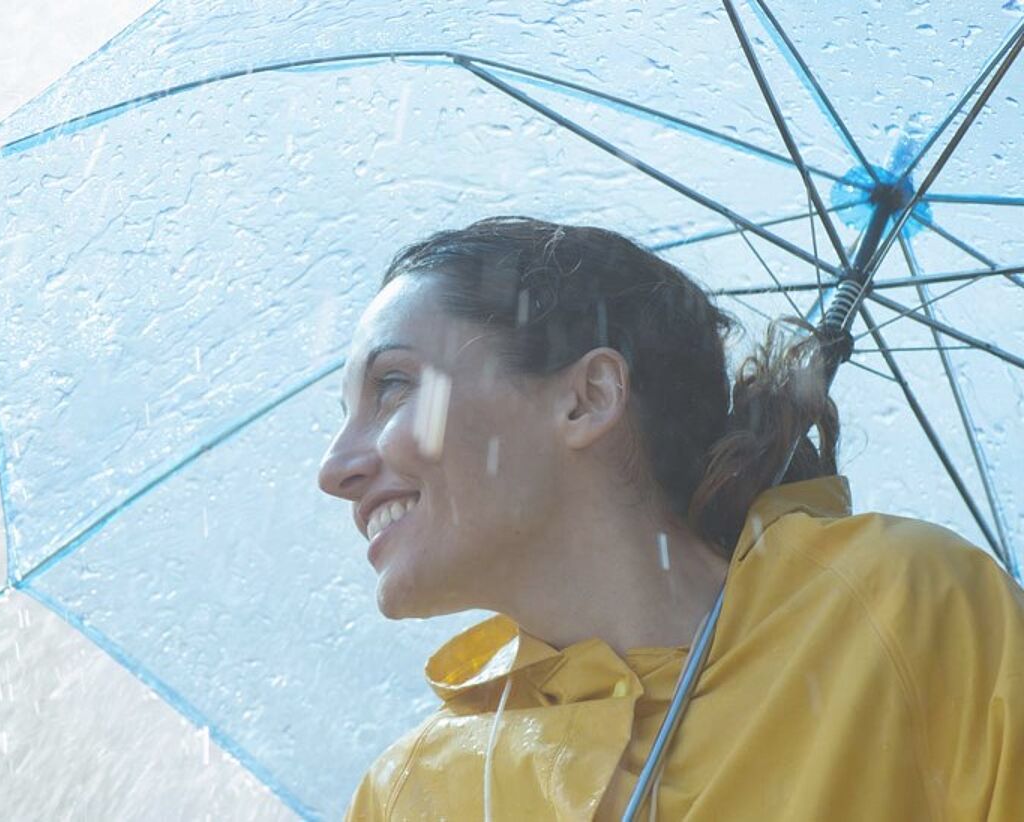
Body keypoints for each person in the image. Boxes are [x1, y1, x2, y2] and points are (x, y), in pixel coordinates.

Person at [315, 216, 1024, 820]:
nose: (334, 469)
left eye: (394, 386)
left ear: (588, 397)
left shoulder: (903, 608)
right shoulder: (411, 794)